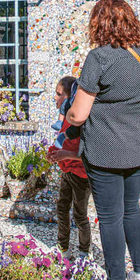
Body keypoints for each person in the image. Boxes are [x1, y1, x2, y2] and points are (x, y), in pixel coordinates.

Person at [66, 0, 140, 280]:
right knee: (132, 209)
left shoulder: (99, 58)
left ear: (98, 24)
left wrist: (67, 116)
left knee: (109, 218)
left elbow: (79, 115)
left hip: (105, 151)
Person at [48, 76, 92, 260]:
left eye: (59, 94)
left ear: (69, 96)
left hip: (81, 175)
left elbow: (88, 153)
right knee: (62, 209)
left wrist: (64, 155)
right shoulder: (66, 117)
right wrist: (53, 153)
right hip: (67, 171)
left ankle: (84, 252)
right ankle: (63, 248)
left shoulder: (80, 119)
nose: (56, 99)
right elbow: (64, 141)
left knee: (80, 215)